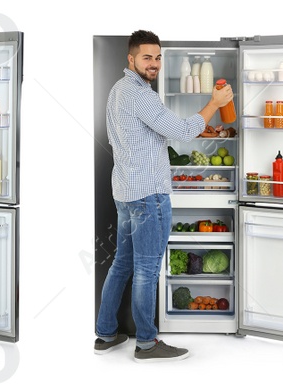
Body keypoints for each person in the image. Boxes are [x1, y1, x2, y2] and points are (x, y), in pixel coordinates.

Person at [95, 30, 232, 363]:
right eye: (146, 57)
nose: (154, 63)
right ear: (131, 59)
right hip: (148, 194)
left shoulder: (117, 90)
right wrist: (215, 103)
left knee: (123, 263)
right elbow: (184, 131)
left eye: (157, 57)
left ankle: (106, 333)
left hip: (126, 190)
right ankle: (146, 342)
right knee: (146, 268)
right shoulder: (141, 95)